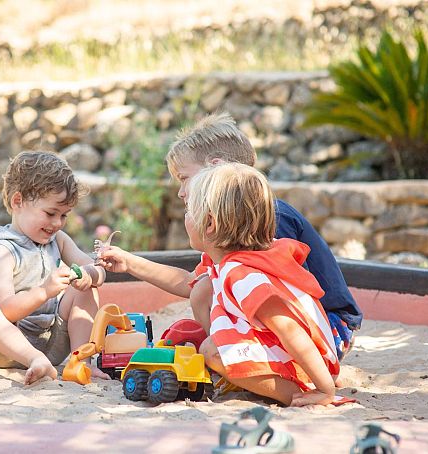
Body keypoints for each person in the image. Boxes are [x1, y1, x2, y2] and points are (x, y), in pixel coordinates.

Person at [97, 112, 361, 359]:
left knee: (207, 298)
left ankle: (241, 362)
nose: (180, 192)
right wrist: (129, 262)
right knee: (196, 309)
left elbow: (287, 299)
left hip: (326, 327)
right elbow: (192, 281)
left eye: (184, 178)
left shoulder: (267, 217)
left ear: (216, 166)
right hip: (288, 324)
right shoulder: (227, 220)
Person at [186, 163, 346, 406]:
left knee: (212, 351)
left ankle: (293, 394)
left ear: (209, 224)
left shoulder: (242, 274)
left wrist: (324, 388)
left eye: (188, 210)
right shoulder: (227, 263)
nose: (185, 215)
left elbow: (289, 329)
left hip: (304, 365)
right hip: (294, 357)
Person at [0, 151, 110, 385]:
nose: (57, 223)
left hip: (51, 343)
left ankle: (81, 362)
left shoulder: (59, 239)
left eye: (64, 215)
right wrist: (44, 291)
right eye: (50, 213)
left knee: (88, 288)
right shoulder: (2, 250)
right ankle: (35, 359)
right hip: (3, 349)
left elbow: (97, 271)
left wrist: (90, 275)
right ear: (18, 202)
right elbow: (5, 310)